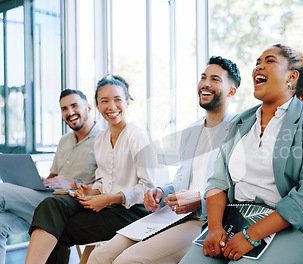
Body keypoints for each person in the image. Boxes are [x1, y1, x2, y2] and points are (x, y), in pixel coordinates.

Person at [179, 44, 303, 264]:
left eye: (269, 61)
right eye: (257, 63)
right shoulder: (240, 122)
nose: (258, 67)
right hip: (239, 217)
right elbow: (217, 181)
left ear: (292, 76)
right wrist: (214, 228)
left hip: (299, 223)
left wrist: (251, 236)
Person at [87, 55, 241, 264]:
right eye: (203, 77)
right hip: (173, 214)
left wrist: (199, 199)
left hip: (206, 220)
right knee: (99, 255)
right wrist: (160, 192)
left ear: (232, 91)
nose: (205, 83)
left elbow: (241, 190)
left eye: (215, 79)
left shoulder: (239, 131)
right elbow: (180, 180)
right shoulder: (191, 131)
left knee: (127, 261)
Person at [25, 75, 156, 264]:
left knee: (58, 229)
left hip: (134, 212)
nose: (111, 106)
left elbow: (148, 188)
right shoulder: (102, 139)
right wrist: (91, 190)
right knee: (51, 205)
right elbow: (102, 180)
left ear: (127, 102)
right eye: (104, 101)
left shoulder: (137, 135)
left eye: (117, 100)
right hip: (106, 204)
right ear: (96, 106)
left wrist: (110, 198)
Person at [0, 89, 99, 264]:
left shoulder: (103, 139)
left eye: (74, 106)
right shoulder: (65, 140)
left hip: (69, 204)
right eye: (64, 108)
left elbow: (106, 184)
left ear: (89, 108)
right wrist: (38, 181)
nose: (69, 112)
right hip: (48, 198)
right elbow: (54, 175)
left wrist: (73, 183)